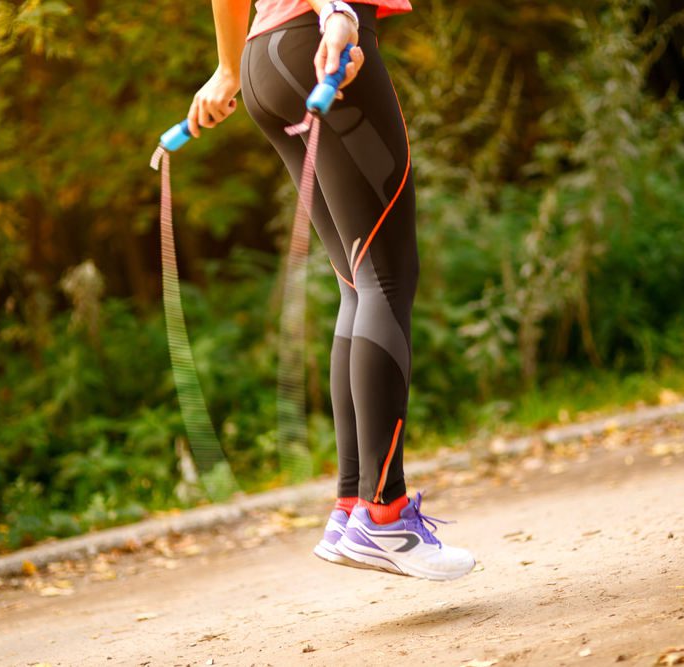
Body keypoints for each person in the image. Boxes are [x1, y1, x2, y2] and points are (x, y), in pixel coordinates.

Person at [188, 0, 475, 581]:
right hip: (323, 40)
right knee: (387, 278)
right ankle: (385, 515)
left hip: (262, 59)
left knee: (358, 284)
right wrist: (336, 11)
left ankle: (352, 508)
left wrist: (226, 66)